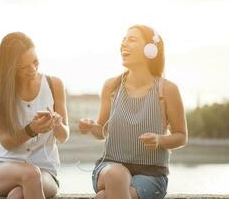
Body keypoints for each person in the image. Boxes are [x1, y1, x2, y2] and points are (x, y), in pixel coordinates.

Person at [78, 24, 188, 199]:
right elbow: (102, 132)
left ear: (150, 49)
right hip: (109, 169)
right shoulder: (111, 86)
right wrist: (91, 127)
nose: (124, 44)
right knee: (116, 174)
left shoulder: (168, 89)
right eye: (123, 40)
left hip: (151, 175)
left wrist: (160, 140)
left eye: (132, 39)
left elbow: (181, 136)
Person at [0, 32, 69, 199]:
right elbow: (6, 142)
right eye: (23, 67)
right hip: (5, 168)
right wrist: (31, 130)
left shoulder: (55, 85)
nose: (32, 70)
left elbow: (64, 137)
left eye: (35, 62)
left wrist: (56, 124)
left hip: (46, 172)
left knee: (18, 194)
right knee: (31, 175)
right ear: (10, 68)